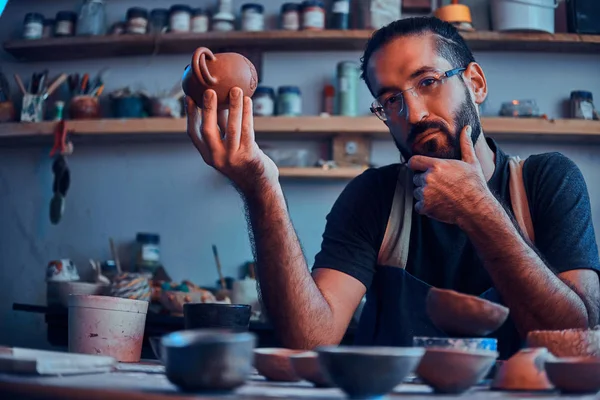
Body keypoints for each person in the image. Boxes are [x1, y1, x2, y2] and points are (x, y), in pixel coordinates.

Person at [185, 16, 600, 358]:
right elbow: (308, 342)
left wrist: (480, 210)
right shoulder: (375, 196)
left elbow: (576, 338)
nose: (413, 113)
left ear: (475, 83)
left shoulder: (547, 181)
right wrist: (262, 188)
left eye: (428, 81)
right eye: (390, 100)